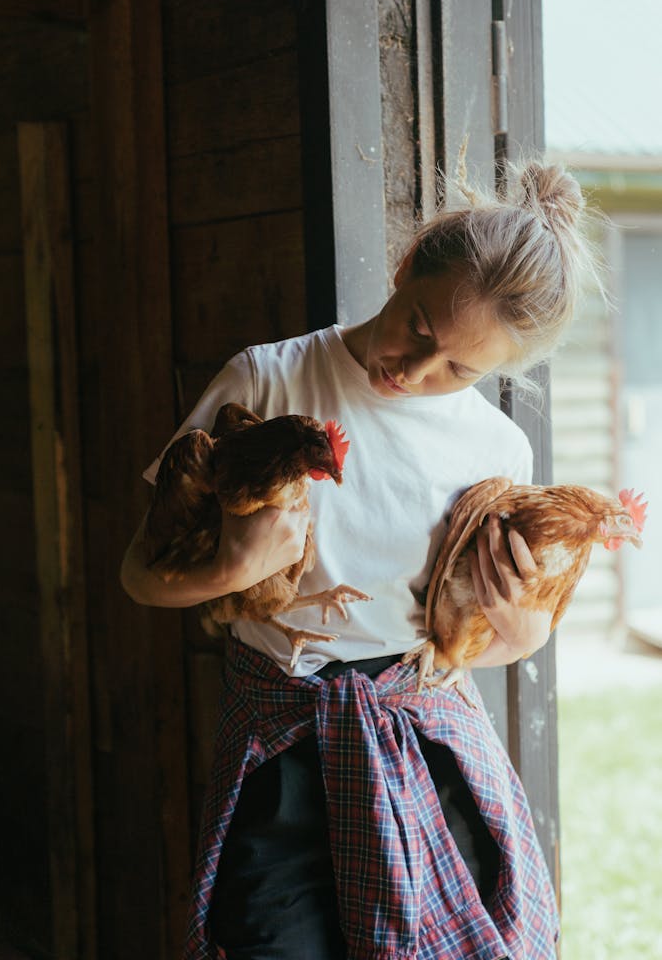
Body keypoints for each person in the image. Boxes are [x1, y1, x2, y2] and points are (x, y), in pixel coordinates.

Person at [121, 160, 598, 960]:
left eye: (458, 368)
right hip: (283, 747)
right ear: (406, 265)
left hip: (429, 745)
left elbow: (479, 641)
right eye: (418, 325)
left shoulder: (496, 447)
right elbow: (140, 575)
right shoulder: (269, 378)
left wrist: (521, 632)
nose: (412, 371)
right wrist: (227, 573)